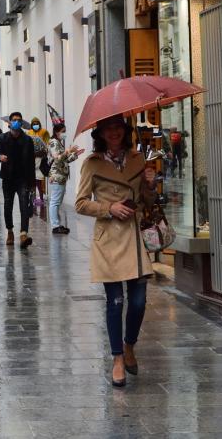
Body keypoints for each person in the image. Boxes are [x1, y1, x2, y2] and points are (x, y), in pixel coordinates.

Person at [73, 115, 158, 388]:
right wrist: (108, 209)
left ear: (125, 130)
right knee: (115, 302)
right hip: (108, 239)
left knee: (138, 301)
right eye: (108, 128)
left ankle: (129, 343)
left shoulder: (137, 159)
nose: (114, 132)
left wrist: (150, 183)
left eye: (118, 127)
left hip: (133, 237)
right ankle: (118, 359)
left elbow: (148, 201)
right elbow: (81, 203)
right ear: (100, 132)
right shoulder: (92, 164)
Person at [0, 112, 36, 249]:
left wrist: (32, 183)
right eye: (14, 120)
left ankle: (23, 233)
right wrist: (0, 156)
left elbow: (31, 162)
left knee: (24, 205)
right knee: (8, 205)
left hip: (23, 178)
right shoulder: (2, 138)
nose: (16, 122)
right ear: (9, 123)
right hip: (8, 177)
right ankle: (10, 231)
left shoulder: (27, 140)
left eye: (19, 120)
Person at [46, 123, 84, 234]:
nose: (64, 133)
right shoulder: (53, 142)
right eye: (63, 131)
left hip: (61, 175)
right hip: (56, 175)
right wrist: (68, 151)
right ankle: (55, 225)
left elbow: (65, 160)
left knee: (57, 201)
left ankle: (57, 224)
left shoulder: (58, 143)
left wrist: (75, 154)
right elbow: (57, 158)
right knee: (55, 202)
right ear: (57, 132)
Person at [29, 117, 51, 205]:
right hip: (32, 158)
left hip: (40, 158)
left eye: (36, 123)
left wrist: (43, 150)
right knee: (32, 181)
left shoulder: (44, 132)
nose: (35, 125)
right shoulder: (29, 132)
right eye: (33, 124)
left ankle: (42, 196)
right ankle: (33, 198)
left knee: (39, 179)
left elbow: (47, 143)